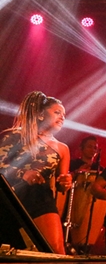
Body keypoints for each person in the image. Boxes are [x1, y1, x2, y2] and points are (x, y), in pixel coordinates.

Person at [0, 91, 72, 254]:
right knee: (11, 251)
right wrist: (22, 174)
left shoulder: (62, 149)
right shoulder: (15, 135)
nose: (62, 117)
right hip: (11, 197)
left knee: (55, 251)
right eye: (57, 112)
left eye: (64, 114)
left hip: (39, 197)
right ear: (40, 114)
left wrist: (64, 183)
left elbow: (61, 186)